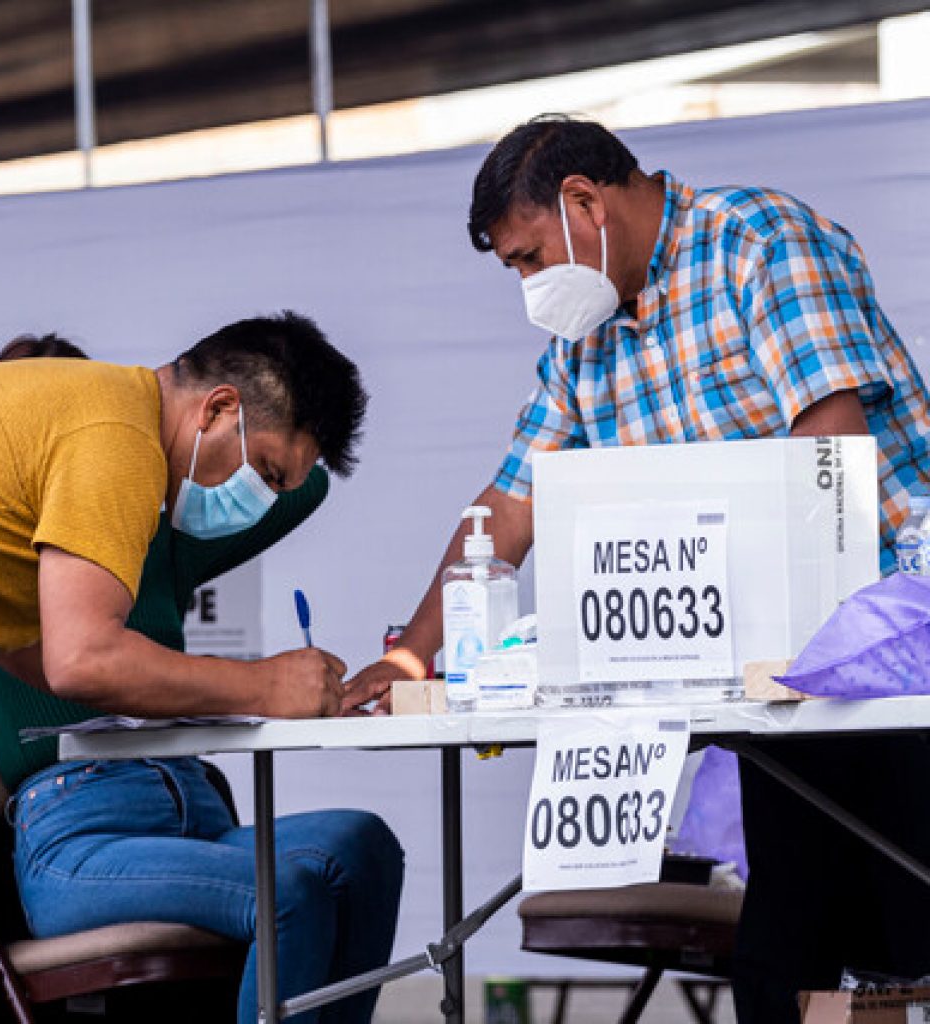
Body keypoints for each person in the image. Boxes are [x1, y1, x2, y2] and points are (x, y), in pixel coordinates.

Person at [342, 115, 930, 1022]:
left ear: (585, 202)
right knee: (788, 962)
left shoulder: (758, 245)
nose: (531, 286)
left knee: (909, 932)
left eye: (530, 257)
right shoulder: (585, 342)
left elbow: (830, 448)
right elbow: (509, 508)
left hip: (890, 658)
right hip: (775, 691)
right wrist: (413, 660)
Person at [0, 313, 366, 1022]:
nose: (260, 499)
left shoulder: (91, 426)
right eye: (265, 472)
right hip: (73, 816)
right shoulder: (117, 440)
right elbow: (82, 659)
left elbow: (41, 652)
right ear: (217, 408)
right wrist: (263, 686)